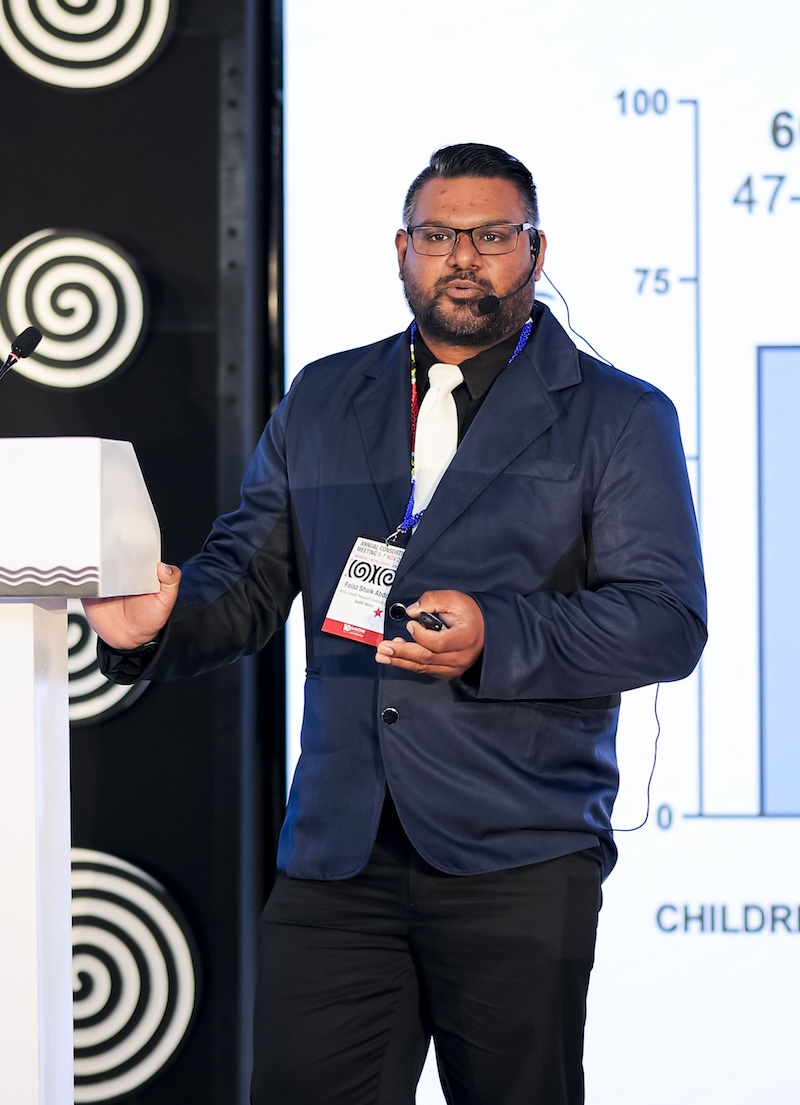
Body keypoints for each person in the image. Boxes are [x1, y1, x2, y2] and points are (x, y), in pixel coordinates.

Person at [84, 143, 707, 1105]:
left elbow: (665, 619)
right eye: (439, 235)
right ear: (401, 249)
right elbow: (246, 577)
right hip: (339, 853)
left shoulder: (619, 415)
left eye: (492, 235)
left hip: (516, 850)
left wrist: (496, 634)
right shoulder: (324, 397)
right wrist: (156, 624)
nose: (464, 257)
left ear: (536, 251)